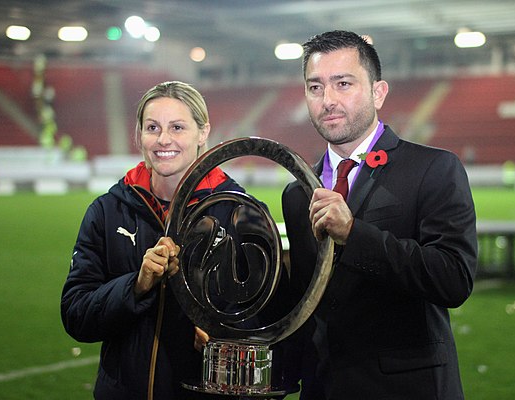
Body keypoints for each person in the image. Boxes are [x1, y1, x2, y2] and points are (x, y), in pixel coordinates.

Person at [282, 30, 477, 399]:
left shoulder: (433, 169)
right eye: (315, 87)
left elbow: (454, 279)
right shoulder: (297, 193)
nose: (328, 100)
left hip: (408, 390)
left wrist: (354, 233)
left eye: (343, 84)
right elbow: (306, 306)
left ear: (378, 92)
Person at [61, 81, 250, 400]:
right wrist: (136, 285)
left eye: (177, 127)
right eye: (152, 127)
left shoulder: (238, 211)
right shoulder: (108, 210)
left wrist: (224, 335)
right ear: (139, 134)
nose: (164, 139)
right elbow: (77, 316)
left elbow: (262, 321)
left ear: (203, 132)